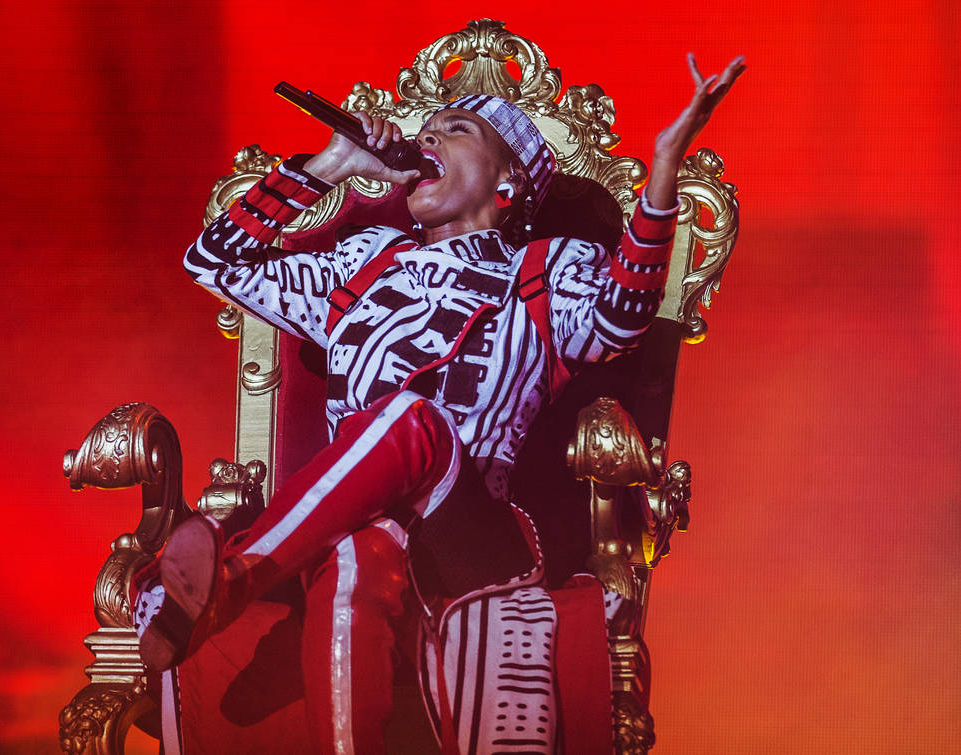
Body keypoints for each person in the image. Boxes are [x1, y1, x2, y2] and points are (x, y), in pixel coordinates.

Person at [134, 54, 744, 754]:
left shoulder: (546, 268)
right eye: (424, 131)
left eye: (454, 129)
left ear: (509, 179)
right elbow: (215, 263)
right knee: (357, 562)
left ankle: (236, 576)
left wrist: (665, 169)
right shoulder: (363, 261)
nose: (427, 141)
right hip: (360, 529)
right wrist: (329, 165)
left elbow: (621, 317)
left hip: (472, 538)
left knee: (408, 417)